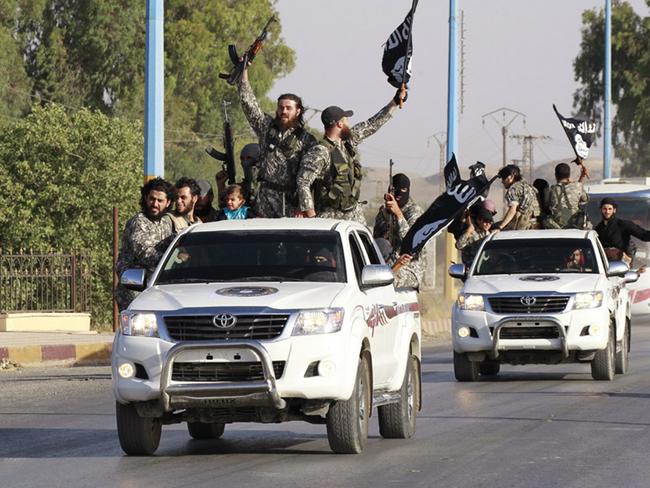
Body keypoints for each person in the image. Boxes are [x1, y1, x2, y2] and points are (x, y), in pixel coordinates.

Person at [297, 88, 406, 224]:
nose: (348, 124)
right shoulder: (320, 151)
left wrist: (395, 102)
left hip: (353, 212)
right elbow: (303, 182)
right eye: (346, 120)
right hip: (330, 215)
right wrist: (311, 216)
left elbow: (372, 124)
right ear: (340, 124)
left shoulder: (348, 143)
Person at [237, 65, 316, 218]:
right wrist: (243, 73)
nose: (283, 111)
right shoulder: (267, 127)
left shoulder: (307, 140)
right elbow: (248, 105)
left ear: (298, 111)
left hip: (289, 201)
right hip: (264, 197)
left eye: (288, 108)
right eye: (280, 108)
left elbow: (310, 176)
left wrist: (303, 205)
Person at [115, 178, 175, 310]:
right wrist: (173, 261)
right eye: (152, 199)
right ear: (145, 198)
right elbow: (146, 255)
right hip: (135, 290)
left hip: (157, 290)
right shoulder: (139, 222)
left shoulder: (165, 223)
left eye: (160, 201)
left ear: (168, 202)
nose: (155, 204)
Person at [373, 173, 425, 289]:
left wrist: (398, 215)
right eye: (396, 190)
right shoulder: (383, 213)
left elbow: (413, 242)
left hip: (409, 268)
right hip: (387, 263)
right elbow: (377, 242)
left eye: (403, 189)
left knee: (384, 281)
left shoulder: (414, 212)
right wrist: (386, 217)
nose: (399, 194)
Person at [595, 197, 650, 264]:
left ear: (614, 210)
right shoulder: (598, 228)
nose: (607, 212)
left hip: (623, 265)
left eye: (610, 209)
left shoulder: (623, 224)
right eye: (604, 209)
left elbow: (644, 235)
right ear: (601, 209)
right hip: (604, 265)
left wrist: (629, 258)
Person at [543, 161, 589, 229]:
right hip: (575, 223)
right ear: (569, 175)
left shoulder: (550, 190)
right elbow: (585, 199)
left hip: (557, 226)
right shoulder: (578, 186)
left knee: (544, 220)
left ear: (556, 175)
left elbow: (546, 206)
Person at [493, 164, 537, 231]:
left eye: (503, 178)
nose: (502, 182)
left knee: (494, 227)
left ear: (511, 177)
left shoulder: (513, 189)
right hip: (536, 223)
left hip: (524, 223)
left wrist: (500, 227)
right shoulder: (530, 187)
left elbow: (512, 210)